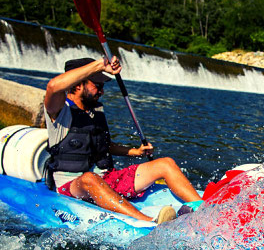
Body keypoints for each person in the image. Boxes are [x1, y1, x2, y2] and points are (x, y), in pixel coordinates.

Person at [44, 56, 202, 224]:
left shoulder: (95, 112)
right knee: (90, 178)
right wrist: (99, 65)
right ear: (77, 84)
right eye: (97, 85)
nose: (102, 91)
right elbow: (53, 86)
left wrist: (136, 152)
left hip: (106, 178)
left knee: (166, 163)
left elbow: (104, 146)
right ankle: (148, 221)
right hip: (73, 186)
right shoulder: (59, 112)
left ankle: (202, 208)